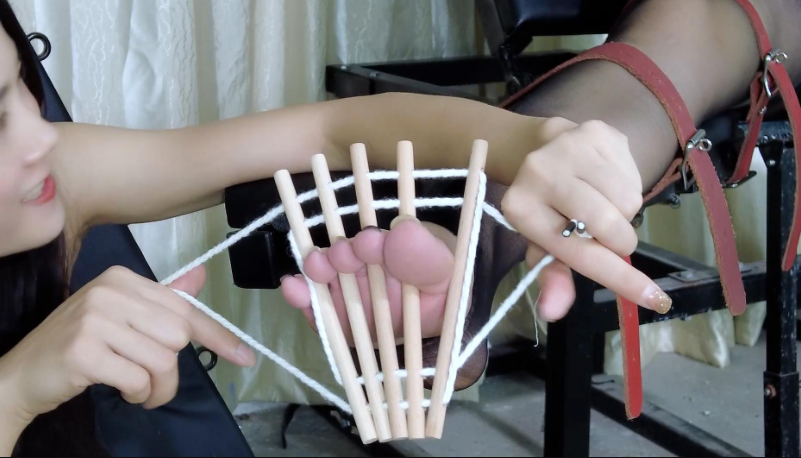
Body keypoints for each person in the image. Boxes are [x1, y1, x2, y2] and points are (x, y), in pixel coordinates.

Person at [1, 0, 799, 456]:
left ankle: (469, 249)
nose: (41, 139)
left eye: (22, 86)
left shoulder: (57, 169)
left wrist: (533, 147)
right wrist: (15, 390)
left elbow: (331, 133)